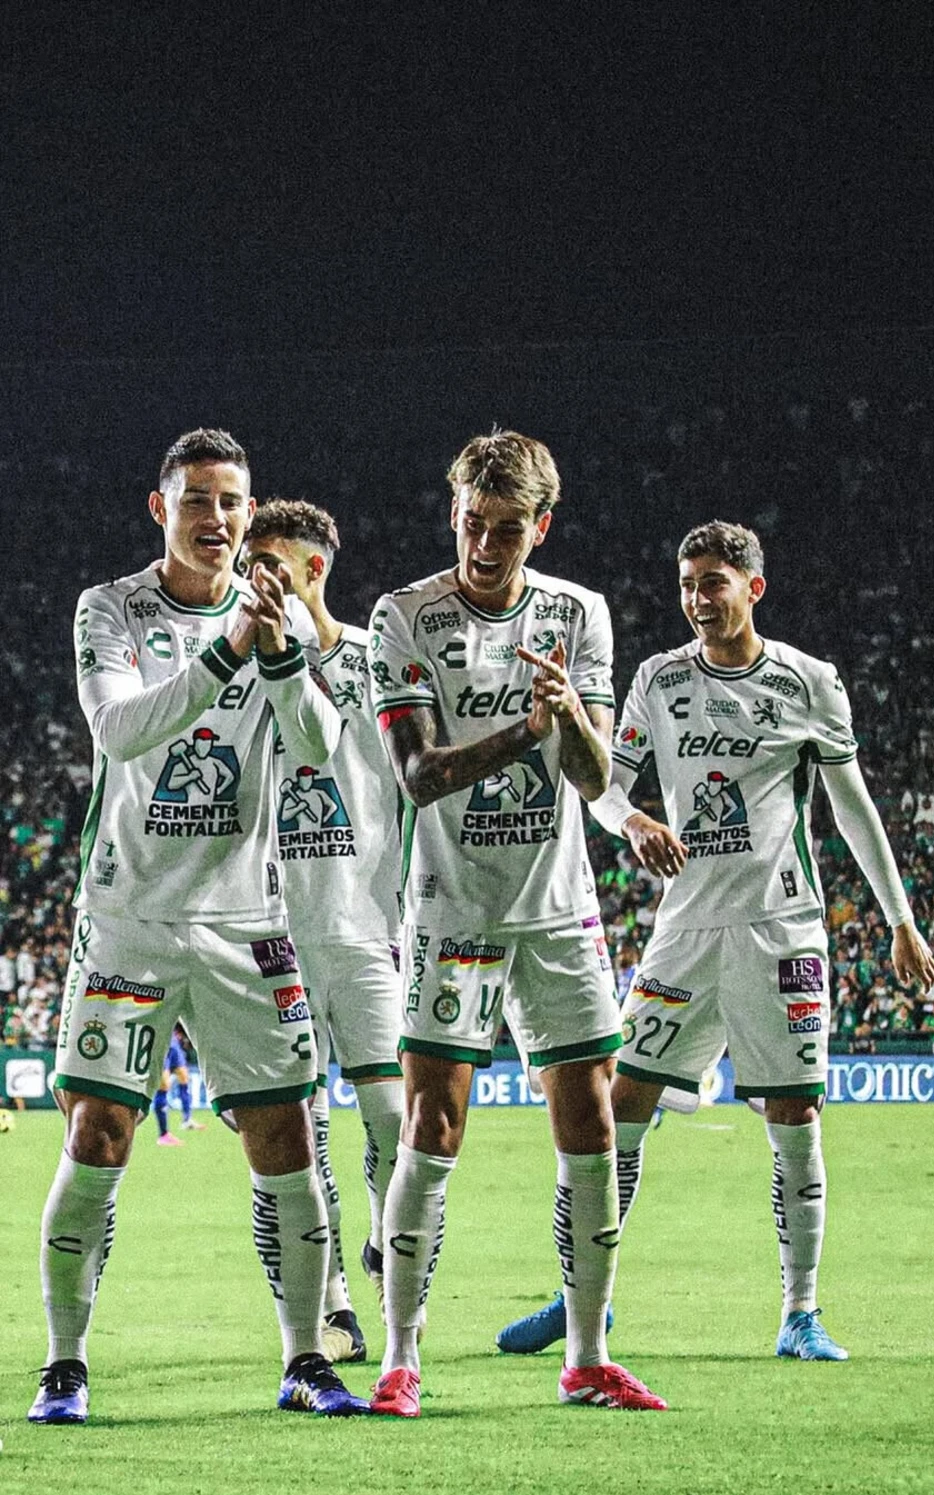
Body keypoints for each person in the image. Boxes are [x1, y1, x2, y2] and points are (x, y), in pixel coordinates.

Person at [498, 521, 934, 1362]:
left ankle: (800, 1312)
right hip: (685, 932)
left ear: (753, 589)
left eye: (716, 582)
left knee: (793, 1110)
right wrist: (630, 821)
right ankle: (583, 1297)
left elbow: (852, 806)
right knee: (616, 1103)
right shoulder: (659, 681)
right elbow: (601, 783)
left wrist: (899, 917)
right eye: (689, 582)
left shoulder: (808, 681)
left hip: (780, 929)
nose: (699, 597)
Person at [29, 429, 369, 1425]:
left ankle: (306, 1357)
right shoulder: (114, 609)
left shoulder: (276, 619)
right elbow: (122, 728)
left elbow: (316, 745)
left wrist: (275, 656)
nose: (217, 520)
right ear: (160, 508)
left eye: (233, 503)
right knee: (97, 1135)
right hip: (128, 916)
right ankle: (65, 1363)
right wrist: (231, 648)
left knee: (287, 1138)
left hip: (242, 923)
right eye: (199, 500)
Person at [366, 430, 665, 1416]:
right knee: (431, 1124)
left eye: (505, 530)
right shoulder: (403, 616)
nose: (484, 547)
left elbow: (594, 780)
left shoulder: (580, 614)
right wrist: (521, 730)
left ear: (541, 526)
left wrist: (572, 719)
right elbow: (417, 776)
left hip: (558, 912)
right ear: (452, 514)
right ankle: (402, 1356)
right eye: (470, 525)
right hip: (454, 910)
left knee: (592, 1124)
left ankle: (585, 1356)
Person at [245, 499, 408, 1366]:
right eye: (248, 560)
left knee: (394, 1113)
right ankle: (335, 1304)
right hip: (267, 931)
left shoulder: (379, 665)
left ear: (315, 571)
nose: (254, 575)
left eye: (270, 561)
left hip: (362, 925)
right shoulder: (232, 662)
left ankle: (386, 1240)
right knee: (295, 1137)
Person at [150, 1022, 203, 1145]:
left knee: (184, 1076)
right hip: (159, 1038)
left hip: (172, 1040)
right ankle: (163, 1135)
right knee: (164, 1085)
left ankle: (187, 1119)